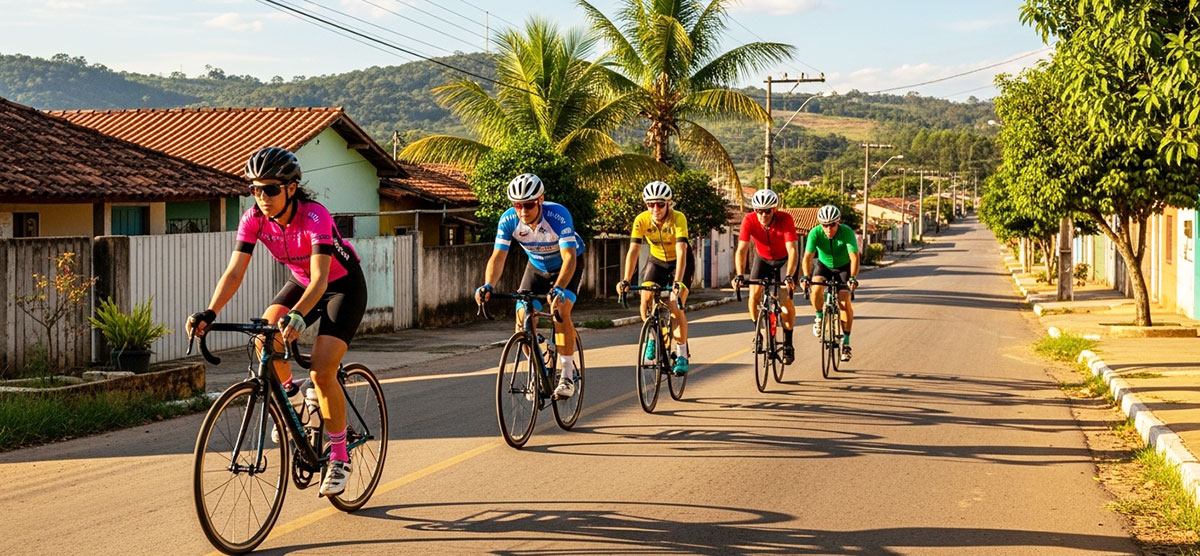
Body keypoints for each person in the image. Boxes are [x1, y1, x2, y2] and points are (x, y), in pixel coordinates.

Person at [185, 147, 366, 497]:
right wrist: (211, 312)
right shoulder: (253, 219)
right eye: (255, 189)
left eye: (270, 189)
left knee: (322, 370)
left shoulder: (315, 216)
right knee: (263, 337)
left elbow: (320, 280)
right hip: (301, 281)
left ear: (291, 188)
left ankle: (340, 457)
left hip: (340, 284)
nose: (262, 197)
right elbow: (235, 271)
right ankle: (293, 401)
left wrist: (298, 314)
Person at [475, 173, 585, 399]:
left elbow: (569, 258)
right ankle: (538, 369)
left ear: (540, 200)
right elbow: (498, 257)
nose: (523, 211)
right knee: (523, 318)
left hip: (566, 266)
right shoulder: (508, 220)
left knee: (560, 311)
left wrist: (560, 288)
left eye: (528, 205)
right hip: (536, 267)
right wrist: (487, 285)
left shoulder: (558, 215)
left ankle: (565, 375)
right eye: (518, 205)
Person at [616, 181, 694, 375]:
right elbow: (633, 250)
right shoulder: (641, 220)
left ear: (669, 203)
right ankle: (652, 335)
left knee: (675, 305)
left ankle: (682, 353)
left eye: (660, 204)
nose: (655, 208)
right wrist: (626, 279)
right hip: (656, 261)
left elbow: (682, 251)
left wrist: (677, 282)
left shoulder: (678, 219)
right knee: (645, 298)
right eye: (651, 204)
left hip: (680, 262)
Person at [732, 189, 800, 364]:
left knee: (785, 301)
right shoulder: (749, 220)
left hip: (784, 261)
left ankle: (788, 344)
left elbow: (793, 250)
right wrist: (739, 274)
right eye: (758, 211)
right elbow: (742, 250)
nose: (762, 215)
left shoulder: (785, 219)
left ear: (774, 209)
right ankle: (758, 334)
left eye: (767, 211)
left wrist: (790, 276)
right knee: (754, 295)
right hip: (763, 260)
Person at [800, 204, 860, 361]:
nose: (828, 229)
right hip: (824, 265)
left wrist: (853, 278)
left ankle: (846, 343)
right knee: (816, 287)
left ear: (838, 222)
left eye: (832, 225)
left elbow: (854, 257)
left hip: (843, 267)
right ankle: (819, 317)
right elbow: (807, 257)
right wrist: (806, 276)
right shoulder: (815, 233)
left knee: (844, 300)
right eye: (824, 225)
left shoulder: (846, 232)